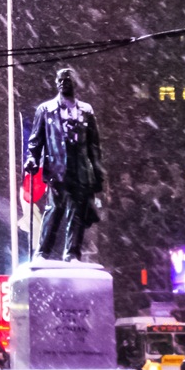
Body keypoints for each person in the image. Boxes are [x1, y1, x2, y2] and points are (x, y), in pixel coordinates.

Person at [24, 67, 105, 262]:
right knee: (53, 211)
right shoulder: (45, 110)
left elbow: (94, 145)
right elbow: (36, 140)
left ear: (75, 82)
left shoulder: (86, 111)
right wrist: (32, 158)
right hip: (56, 169)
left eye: (67, 79)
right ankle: (43, 252)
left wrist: (98, 176)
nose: (63, 83)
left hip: (80, 170)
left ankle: (72, 254)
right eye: (59, 80)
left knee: (76, 214)